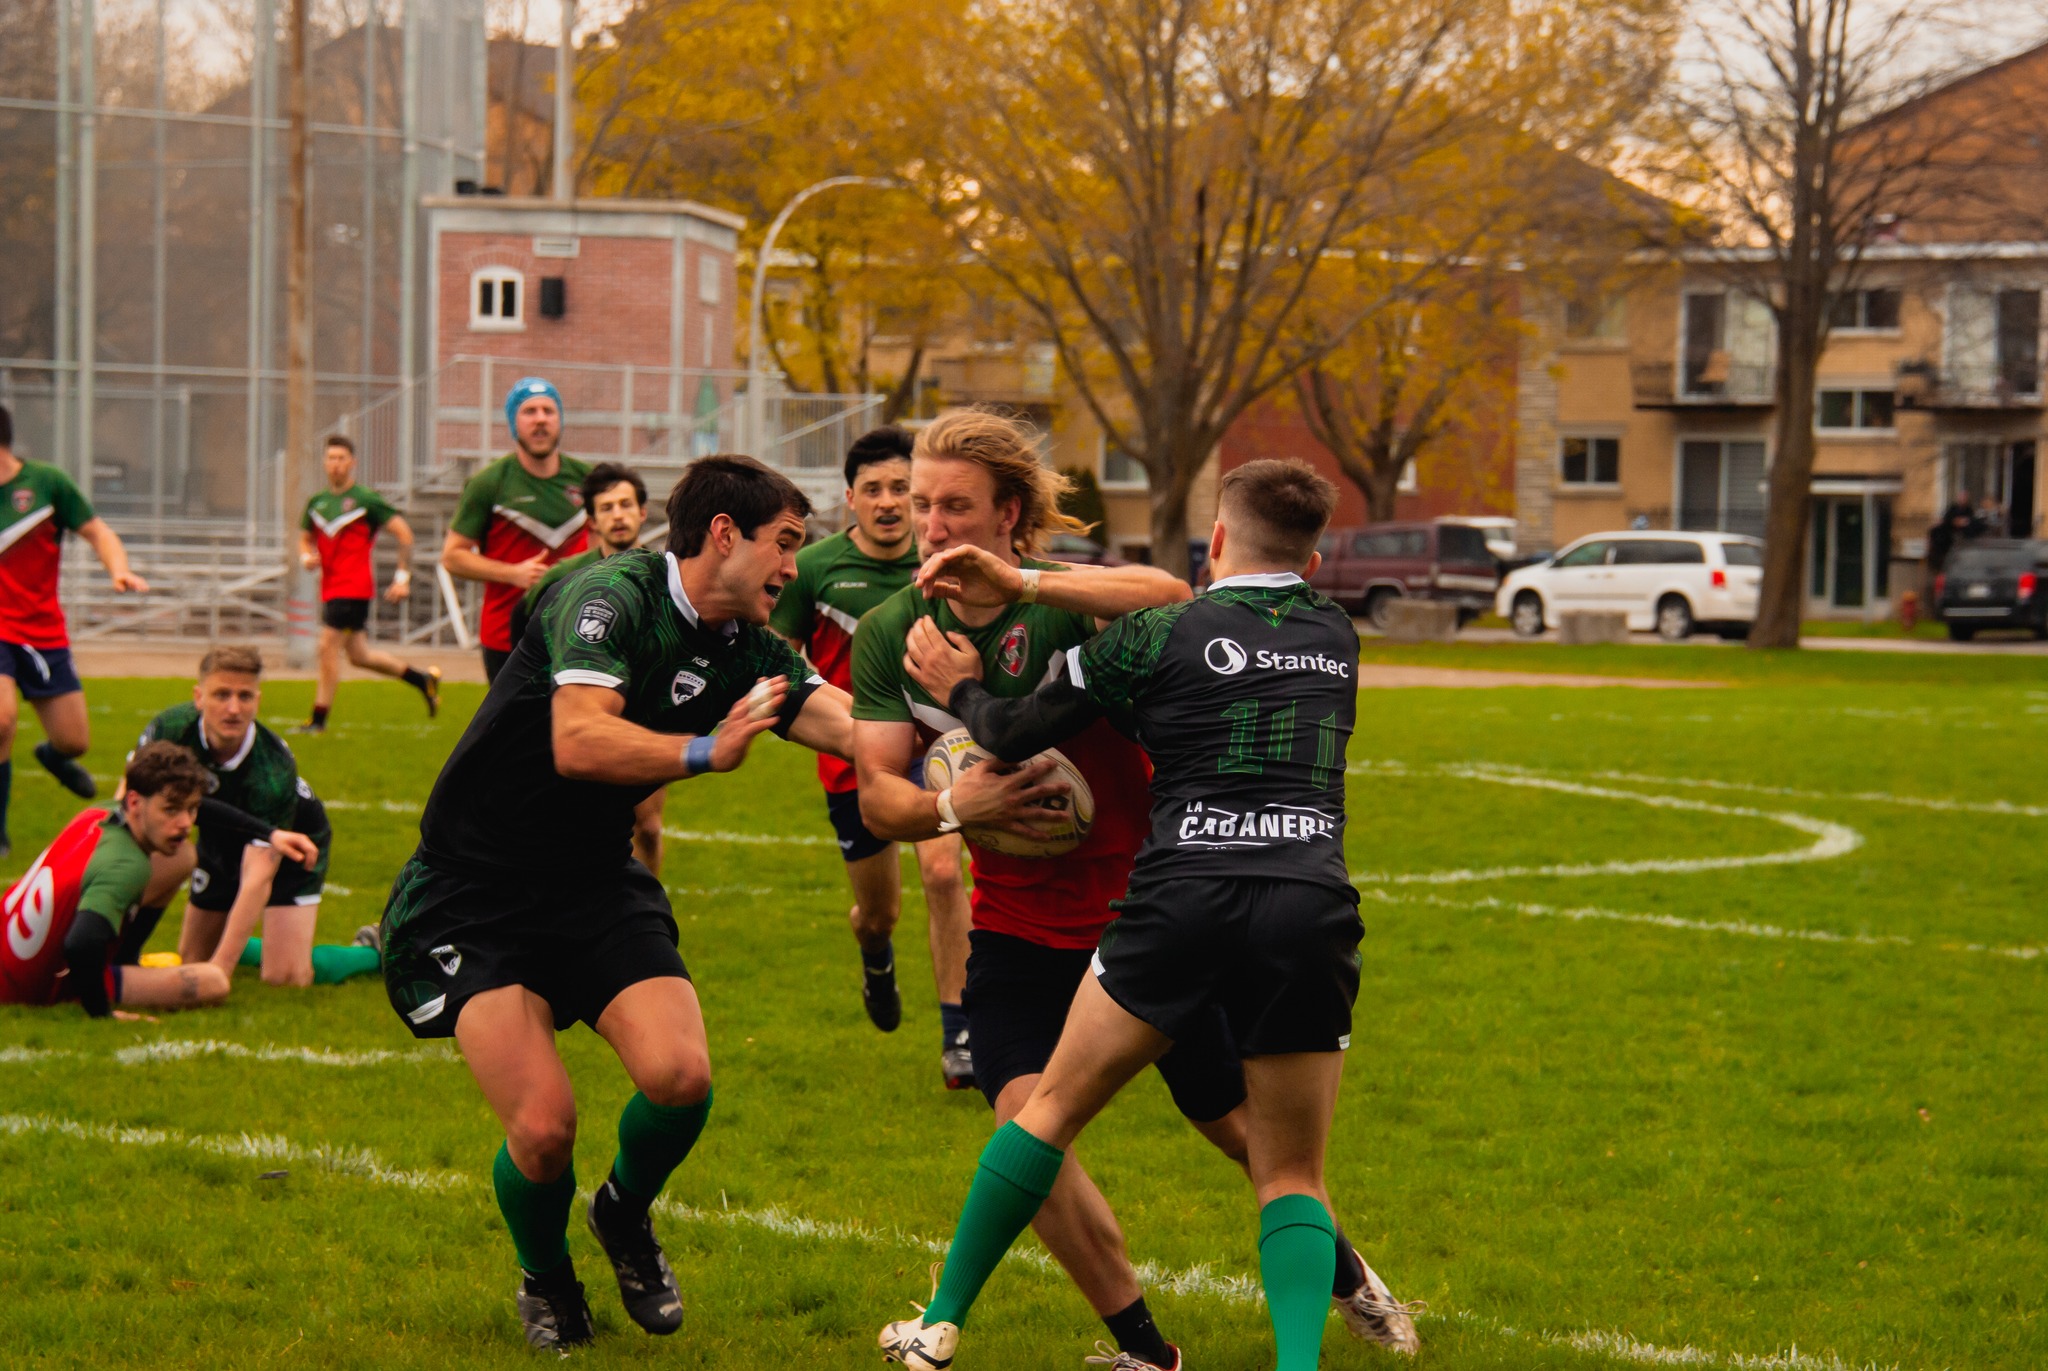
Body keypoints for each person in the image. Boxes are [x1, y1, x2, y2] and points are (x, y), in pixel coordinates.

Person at [377, 455, 1052, 1351]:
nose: (792, 567)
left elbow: (846, 722)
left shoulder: (750, 644)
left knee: (681, 1078)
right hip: (474, 890)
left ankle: (623, 1213)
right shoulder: (608, 597)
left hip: (589, 879)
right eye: (783, 544)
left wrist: (976, 742)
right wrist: (704, 751)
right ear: (724, 534)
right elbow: (577, 739)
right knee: (542, 1128)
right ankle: (546, 1279)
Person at [877, 459, 1420, 1369]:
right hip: (1307, 901)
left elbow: (1012, 734)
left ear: (1214, 540)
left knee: (1045, 1112)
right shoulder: (1336, 635)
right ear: (1316, 560)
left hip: (1182, 897)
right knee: (1289, 1173)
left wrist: (964, 690)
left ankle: (937, 1326)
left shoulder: (1157, 636)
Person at [854, 408, 1265, 1370]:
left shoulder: (1067, 601)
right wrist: (961, 802)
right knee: (1024, 1138)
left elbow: (1175, 593)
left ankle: (1350, 1278)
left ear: (1009, 515)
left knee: (1243, 1132)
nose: (932, 524)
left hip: (1142, 923)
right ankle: (1145, 1349)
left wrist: (1023, 582)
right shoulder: (891, 632)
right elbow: (878, 797)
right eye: (921, 504)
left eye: (955, 505)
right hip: (1016, 931)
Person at [769, 426, 973, 1084]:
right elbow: (775, 663)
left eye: (903, 491)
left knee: (944, 873)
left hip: (938, 747)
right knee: (879, 909)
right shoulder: (816, 568)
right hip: (856, 758)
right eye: (875, 490)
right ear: (850, 497)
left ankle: (960, 1033)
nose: (890, 504)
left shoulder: (949, 563)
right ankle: (876, 952)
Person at [135, 646, 380, 988]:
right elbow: (131, 804)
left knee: (287, 976)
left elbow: (258, 874)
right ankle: (251, 942)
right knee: (193, 958)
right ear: (199, 697)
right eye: (222, 694)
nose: (233, 708)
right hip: (219, 839)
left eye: (244, 696)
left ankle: (373, 950)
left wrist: (221, 969)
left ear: (258, 700)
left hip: (293, 846)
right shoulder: (171, 729)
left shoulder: (272, 769)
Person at [0, 399, 150, 859]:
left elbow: (98, 533)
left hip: (43, 631)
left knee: (74, 741)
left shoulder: (45, 483)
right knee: (1, 719)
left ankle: (50, 755)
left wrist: (118, 569)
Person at [511, 461, 668, 874]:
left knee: (647, 827)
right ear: (592, 520)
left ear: (642, 511)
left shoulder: (666, 579)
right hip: (578, 715)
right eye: (607, 507)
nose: (617, 514)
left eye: (625, 504)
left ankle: (649, 912)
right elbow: (523, 631)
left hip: (642, 720)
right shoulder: (563, 578)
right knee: (570, 825)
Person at [0, 742, 230, 1017]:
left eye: (191, 810)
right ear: (134, 802)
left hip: (10, 952)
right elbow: (81, 944)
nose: (185, 823)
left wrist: (267, 832)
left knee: (180, 857)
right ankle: (111, 976)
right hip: (24, 988)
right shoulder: (126, 865)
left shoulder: (97, 814)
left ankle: (124, 960)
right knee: (213, 982)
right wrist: (102, 1014)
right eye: (171, 810)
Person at [441, 377, 592, 682]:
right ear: (513, 422)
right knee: (513, 731)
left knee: (571, 726)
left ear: (559, 419)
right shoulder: (489, 483)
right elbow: (453, 557)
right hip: (507, 635)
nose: (540, 420)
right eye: (529, 411)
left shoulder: (588, 480)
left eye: (548, 411)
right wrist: (513, 574)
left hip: (576, 631)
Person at [295, 433, 441, 733]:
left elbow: (405, 535)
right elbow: (304, 539)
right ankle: (422, 680)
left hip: (353, 588)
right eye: (331, 458)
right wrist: (306, 556)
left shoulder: (365, 500)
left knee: (326, 647)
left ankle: (318, 719)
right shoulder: (317, 502)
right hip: (331, 587)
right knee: (360, 656)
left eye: (341, 458)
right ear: (324, 462)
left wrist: (402, 578)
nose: (336, 464)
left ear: (353, 463)